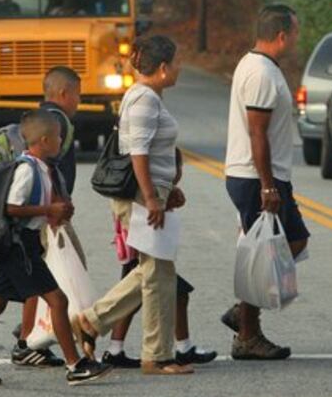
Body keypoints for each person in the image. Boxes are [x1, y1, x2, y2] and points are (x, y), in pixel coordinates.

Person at [0, 110, 112, 386]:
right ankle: (75, 364)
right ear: (44, 139)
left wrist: (57, 212)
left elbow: (36, 209)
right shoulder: (26, 169)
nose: (63, 141)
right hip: (19, 247)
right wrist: (48, 208)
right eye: (59, 137)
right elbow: (11, 207)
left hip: (20, 246)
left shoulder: (41, 167)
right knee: (58, 301)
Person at [71, 35, 195, 375]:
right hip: (142, 196)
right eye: (177, 62)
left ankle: (93, 321)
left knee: (156, 272)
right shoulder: (143, 99)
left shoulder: (150, 97)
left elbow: (155, 152)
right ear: (164, 67)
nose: (180, 68)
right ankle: (156, 356)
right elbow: (137, 152)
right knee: (156, 274)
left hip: (153, 192)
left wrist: (169, 190)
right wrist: (153, 197)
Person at [222, 4, 310, 360]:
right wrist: (268, 185)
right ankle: (247, 335)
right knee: (262, 256)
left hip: (264, 175)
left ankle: (243, 312)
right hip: (255, 175)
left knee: (296, 240)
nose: (297, 38)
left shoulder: (260, 65)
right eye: (296, 32)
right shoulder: (260, 72)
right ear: (281, 36)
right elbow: (257, 132)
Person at [103, 148, 217, 369]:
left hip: (138, 252)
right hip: (142, 253)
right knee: (165, 293)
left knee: (143, 298)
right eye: (176, 170)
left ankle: (115, 348)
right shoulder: (149, 193)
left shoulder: (150, 190)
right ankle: (182, 348)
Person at [11, 67, 86, 367]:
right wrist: (58, 207)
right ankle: (29, 339)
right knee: (49, 277)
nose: (80, 101)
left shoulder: (36, 117)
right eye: (78, 94)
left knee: (39, 279)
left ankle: (31, 336)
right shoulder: (58, 123)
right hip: (47, 213)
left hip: (42, 213)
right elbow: (52, 166)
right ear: (64, 93)